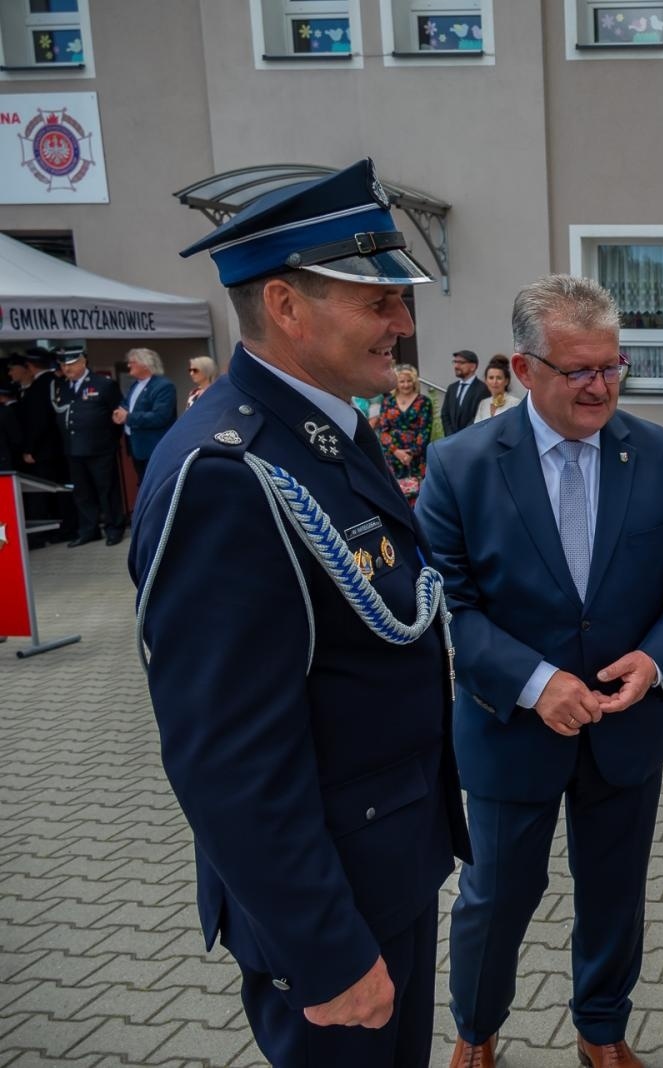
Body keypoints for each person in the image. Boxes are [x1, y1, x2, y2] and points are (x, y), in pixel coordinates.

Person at [128, 159, 470, 1068]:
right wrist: (326, 952)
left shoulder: (326, 430)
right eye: (378, 301)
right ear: (284, 306)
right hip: (333, 904)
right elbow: (227, 757)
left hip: (385, 864)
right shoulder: (227, 474)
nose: (403, 323)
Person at [417, 274, 663, 1068]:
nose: (600, 387)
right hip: (509, 732)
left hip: (627, 730)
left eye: (612, 366)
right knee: (495, 899)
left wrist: (657, 660)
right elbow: (448, 606)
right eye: (578, 370)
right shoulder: (459, 465)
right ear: (525, 370)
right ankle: (476, 1031)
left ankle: (601, 1028)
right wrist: (535, 683)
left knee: (615, 896)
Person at [54, 351, 125, 546]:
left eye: (71, 364)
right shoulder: (62, 387)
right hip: (73, 449)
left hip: (100, 448)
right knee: (82, 492)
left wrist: (109, 441)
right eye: (63, 365)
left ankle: (114, 528)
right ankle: (89, 530)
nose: (66, 369)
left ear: (83, 362)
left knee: (107, 490)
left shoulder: (103, 384)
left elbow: (117, 416)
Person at [7, 349, 75, 543]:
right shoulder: (52, 382)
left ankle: (58, 530)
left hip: (45, 451)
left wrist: (30, 449)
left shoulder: (40, 386)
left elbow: (38, 422)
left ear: (30, 366)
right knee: (59, 489)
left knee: (50, 491)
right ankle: (65, 528)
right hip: (57, 447)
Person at [113, 347, 177, 481]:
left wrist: (128, 417)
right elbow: (127, 404)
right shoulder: (135, 385)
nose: (128, 365)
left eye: (132, 362)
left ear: (145, 364)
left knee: (156, 483)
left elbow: (160, 417)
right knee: (142, 483)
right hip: (137, 447)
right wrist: (119, 413)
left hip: (154, 448)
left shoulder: (163, 386)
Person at [372, 363, 432, 502]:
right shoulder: (388, 402)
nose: (406, 385)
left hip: (416, 458)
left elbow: (425, 431)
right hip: (392, 456)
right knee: (394, 495)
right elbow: (383, 431)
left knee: (418, 495)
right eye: (402, 381)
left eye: (409, 381)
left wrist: (411, 453)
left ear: (414, 382)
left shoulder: (424, 401)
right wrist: (396, 451)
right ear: (397, 383)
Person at [440, 348, 488, 435]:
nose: (456, 366)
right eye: (455, 362)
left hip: (470, 437)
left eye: (461, 363)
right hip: (451, 439)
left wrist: (462, 436)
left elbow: (478, 416)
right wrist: (450, 435)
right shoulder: (452, 388)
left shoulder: (483, 389)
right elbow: (445, 414)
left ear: (473, 367)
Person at [472, 353, 518, 423]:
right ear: (486, 381)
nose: (494, 382)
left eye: (499, 378)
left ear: (506, 381)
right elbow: (477, 426)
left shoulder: (515, 403)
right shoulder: (483, 403)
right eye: (491, 378)